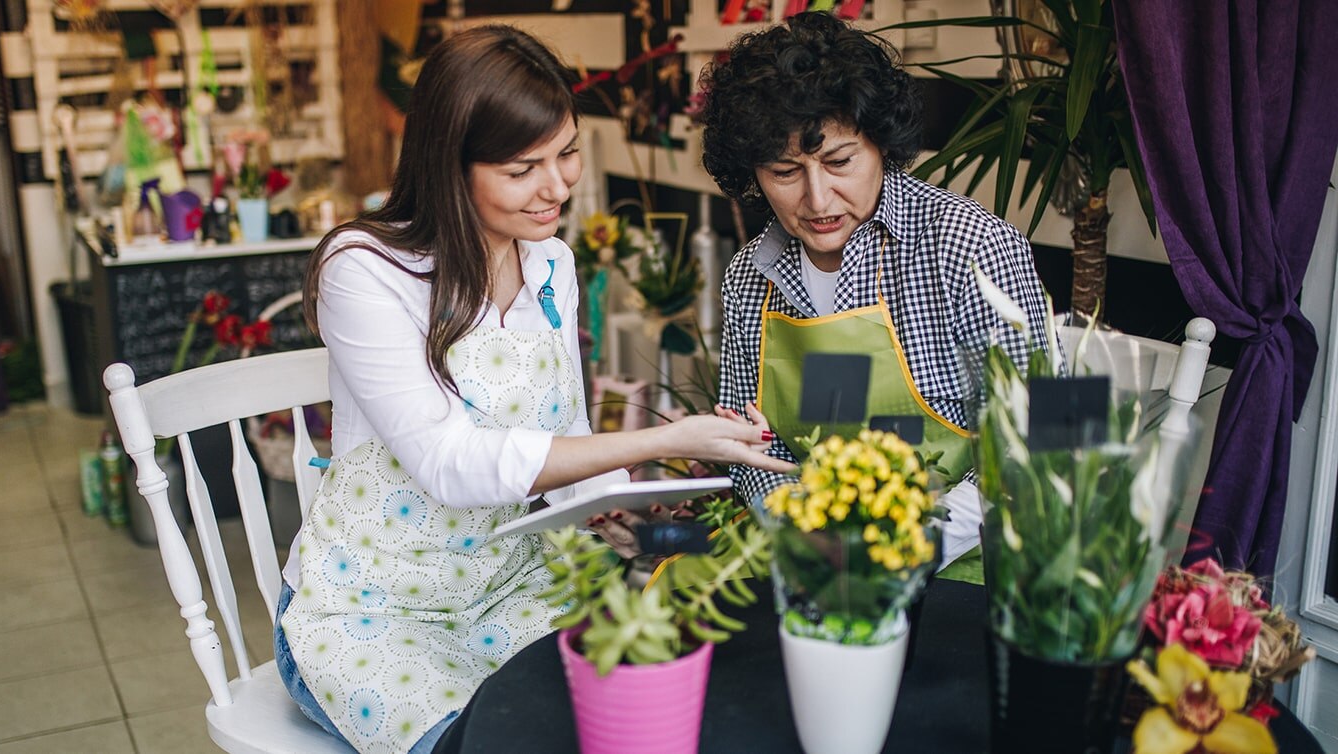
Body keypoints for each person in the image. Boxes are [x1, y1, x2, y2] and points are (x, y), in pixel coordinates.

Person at [275, 25, 793, 754]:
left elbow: (569, 430)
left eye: (567, 153)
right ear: (449, 162)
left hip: (518, 588)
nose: (558, 186)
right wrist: (670, 438)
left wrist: (607, 507)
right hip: (374, 612)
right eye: (524, 168)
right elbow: (450, 462)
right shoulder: (365, 269)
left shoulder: (550, 263)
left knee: (647, 723)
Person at [696, 11, 1051, 578]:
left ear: (881, 144)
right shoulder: (750, 276)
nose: (818, 198)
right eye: (786, 172)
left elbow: (1031, 441)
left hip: (969, 562)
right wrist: (800, 534)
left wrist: (906, 550)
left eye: (840, 162)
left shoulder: (968, 249)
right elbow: (755, 449)